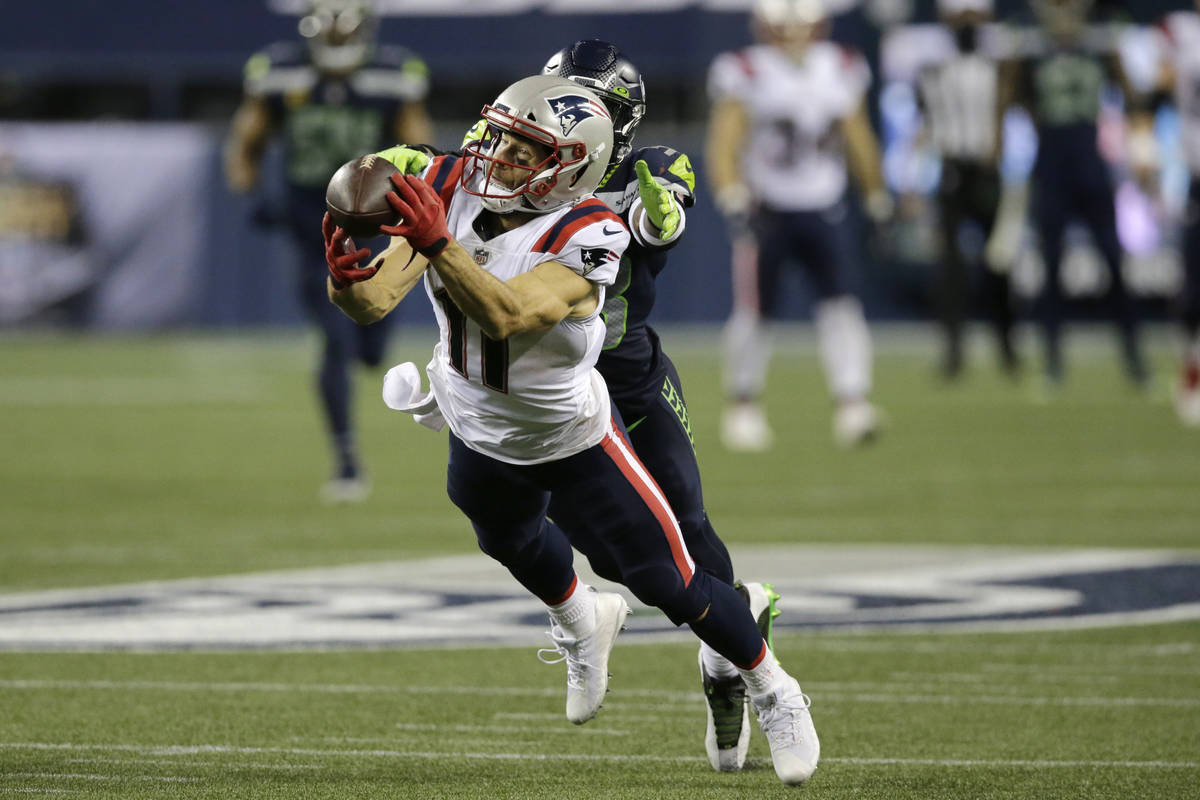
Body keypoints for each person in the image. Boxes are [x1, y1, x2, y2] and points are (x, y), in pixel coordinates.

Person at [323, 73, 820, 785]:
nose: (496, 156)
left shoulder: (590, 229)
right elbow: (372, 303)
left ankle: (776, 688)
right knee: (506, 538)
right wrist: (342, 276)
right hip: (476, 423)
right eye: (498, 135)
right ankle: (583, 620)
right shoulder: (455, 182)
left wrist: (438, 241)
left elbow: (508, 314)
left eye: (524, 150)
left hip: (570, 435)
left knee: (669, 578)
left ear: (570, 166)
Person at [224, 0, 433, 502]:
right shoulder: (278, 70)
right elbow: (246, 141)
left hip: (373, 225)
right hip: (311, 224)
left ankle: (363, 361)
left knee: (369, 347)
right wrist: (251, 194)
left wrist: (414, 200)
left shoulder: (392, 74)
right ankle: (346, 459)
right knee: (334, 339)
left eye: (346, 31)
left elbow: (420, 152)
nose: (337, 40)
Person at [706, 0, 892, 451]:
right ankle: (743, 405)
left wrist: (875, 193)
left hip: (823, 204)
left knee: (841, 306)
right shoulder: (745, 69)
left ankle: (852, 403)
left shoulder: (841, 66)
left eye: (801, 28)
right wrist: (730, 193)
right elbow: (725, 139)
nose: (792, 37)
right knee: (755, 311)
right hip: (767, 207)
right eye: (781, 29)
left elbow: (857, 134)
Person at [999, 0, 1147, 390]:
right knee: (1051, 266)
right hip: (1051, 163)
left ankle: (1134, 357)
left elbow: (1129, 93)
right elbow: (1011, 96)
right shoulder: (1029, 42)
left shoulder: (1099, 39)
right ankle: (1052, 361)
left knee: (1113, 260)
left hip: (1089, 161)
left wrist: (1143, 148)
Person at [916, 0, 1020, 379]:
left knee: (999, 263)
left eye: (972, 17)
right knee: (949, 269)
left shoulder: (1000, 67)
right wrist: (913, 179)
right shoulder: (933, 70)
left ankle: (1008, 349)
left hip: (988, 171)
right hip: (951, 170)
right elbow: (924, 124)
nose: (966, 25)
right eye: (960, 17)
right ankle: (953, 352)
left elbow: (1010, 117)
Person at [1146, 6, 1200, 426]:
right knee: (1192, 292)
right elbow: (1158, 83)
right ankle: (1192, 375)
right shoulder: (1179, 31)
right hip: (1198, 177)